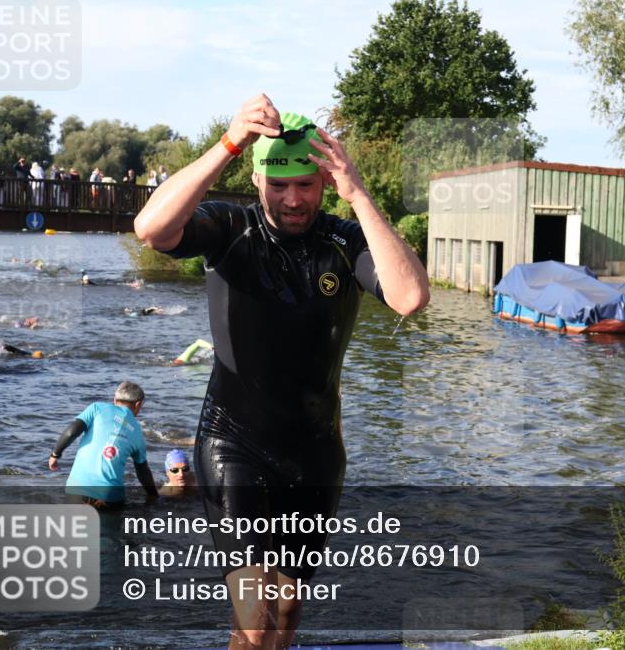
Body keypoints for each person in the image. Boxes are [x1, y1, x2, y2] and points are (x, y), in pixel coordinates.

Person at [133, 97, 429, 649]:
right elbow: (151, 229)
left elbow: (410, 297)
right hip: (234, 442)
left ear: (323, 182)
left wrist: (358, 193)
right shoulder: (229, 228)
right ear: (257, 180)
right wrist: (228, 143)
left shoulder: (343, 241)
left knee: (286, 612)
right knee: (253, 616)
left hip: (314, 452)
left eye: (306, 185)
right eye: (279, 186)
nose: (293, 200)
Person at [48, 381, 159, 511]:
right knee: (108, 530)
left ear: (115, 399)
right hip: (110, 497)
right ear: (138, 404)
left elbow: (72, 431)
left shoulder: (97, 408)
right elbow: (142, 471)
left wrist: (55, 454)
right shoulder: (137, 432)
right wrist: (154, 496)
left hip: (77, 490)